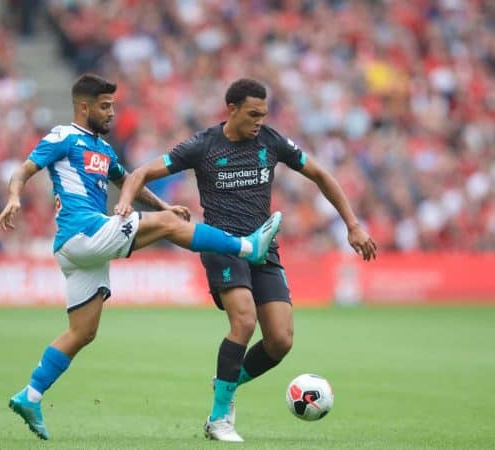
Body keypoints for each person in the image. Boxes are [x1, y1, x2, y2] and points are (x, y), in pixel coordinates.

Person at [0, 73, 283, 440]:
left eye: (113, 105)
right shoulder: (62, 136)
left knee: (82, 332)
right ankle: (247, 247)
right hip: (83, 232)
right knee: (166, 226)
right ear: (83, 107)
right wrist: (15, 196)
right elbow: (24, 169)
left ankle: (30, 396)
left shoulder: (103, 149)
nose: (112, 112)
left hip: (83, 250)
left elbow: (128, 180)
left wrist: (166, 206)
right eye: (104, 106)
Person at [115, 78, 377, 442]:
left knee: (281, 341)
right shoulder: (203, 145)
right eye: (253, 114)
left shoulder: (271, 142)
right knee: (244, 321)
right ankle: (219, 418)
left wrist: (353, 225)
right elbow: (141, 172)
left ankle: (226, 379)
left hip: (264, 247)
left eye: (263, 114)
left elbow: (319, 173)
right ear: (232, 109)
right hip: (223, 245)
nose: (259, 121)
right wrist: (126, 203)